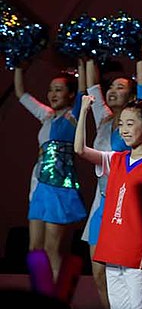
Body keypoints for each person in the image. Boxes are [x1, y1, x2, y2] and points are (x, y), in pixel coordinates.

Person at [74, 97, 142, 309]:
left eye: (130, 124)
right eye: (121, 124)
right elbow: (80, 149)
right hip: (113, 247)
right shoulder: (115, 159)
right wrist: (84, 110)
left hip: (138, 253)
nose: (124, 130)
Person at [81, 58, 142, 309]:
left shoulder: (137, 123)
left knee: (127, 274)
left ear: (132, 96)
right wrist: (88, 49)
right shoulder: (104, 119)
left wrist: (138, 51)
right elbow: (92, 87)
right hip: (102, 202)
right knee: (99, 272)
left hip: (127, 205)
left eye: (120, 87)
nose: (112, 90)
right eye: (111, 86)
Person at [14, 62, 88, 281]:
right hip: (40, 186)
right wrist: (18, 61)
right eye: (51, 89)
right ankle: (40, 292)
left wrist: (83, 61)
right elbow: (21, 93)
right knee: (35, 249)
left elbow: (83, 91)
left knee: (52, 250)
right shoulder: (46, 115)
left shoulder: (74, 115)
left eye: (59, 89)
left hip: (60, 188)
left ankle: (56, 300)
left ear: (71, 94)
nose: (53, 94)